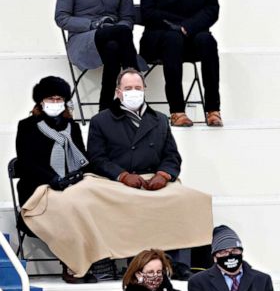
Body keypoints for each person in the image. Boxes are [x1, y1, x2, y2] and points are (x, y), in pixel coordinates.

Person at [81, 68, 212, 277]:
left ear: (145, 90)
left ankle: (180, 263)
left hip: (153, 178)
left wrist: (164, 174)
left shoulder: (159, 119)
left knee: (190, 200)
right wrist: (122, 175)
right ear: (118, 92)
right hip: (116, 182)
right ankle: (136, 263)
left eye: (137, 88)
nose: (133, 92)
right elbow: (97, 159)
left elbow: (172, 155)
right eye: (128, 88)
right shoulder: (101, 120)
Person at [13, 76, 103, 284]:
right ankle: (71, 264)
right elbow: (26, 161)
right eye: (50, 98)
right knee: (67, 206)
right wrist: (52, 179)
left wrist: (76, 178)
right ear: (41, 101)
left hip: (70, 185)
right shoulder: (27, 126)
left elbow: (83, 158)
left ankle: (97, 260)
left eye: (58, 98)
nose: (55, 102)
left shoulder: (72, 127)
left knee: (92, 200)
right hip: (38, 187)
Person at [139, 0, 223, 128]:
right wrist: (176, 26)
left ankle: (213, 109)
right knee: (172, 40)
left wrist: (187, 26)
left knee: (208, 42)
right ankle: (177, 111)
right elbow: (148, 11)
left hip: (193, 33)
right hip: (161, 34)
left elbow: (212, 9)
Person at [55, 0, 138, 110]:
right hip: (83, 39)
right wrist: (94, 25)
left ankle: (105, 109)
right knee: (120, 33)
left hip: (116, 38)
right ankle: (134, 81)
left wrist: (119, 27)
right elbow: (62, 18)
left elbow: (127, 16)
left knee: (114, 46)